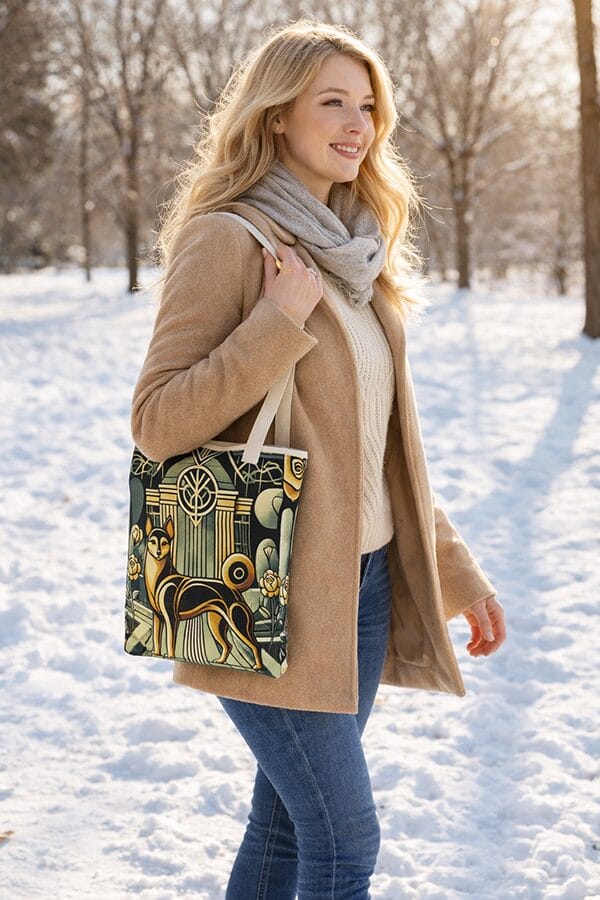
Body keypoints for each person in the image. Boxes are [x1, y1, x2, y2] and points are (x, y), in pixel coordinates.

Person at [130, 17, 507, 899]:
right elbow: (157, 421)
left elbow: (377, 446)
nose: (356, 125)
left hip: (360, 589)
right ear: (275, 116)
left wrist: (456, 572)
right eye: (331, 102)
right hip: (262, 579)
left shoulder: (353, 251)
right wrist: (276, 322)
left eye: (367, 106)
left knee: (284, 830)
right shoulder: (229, 240)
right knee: (344, 844)